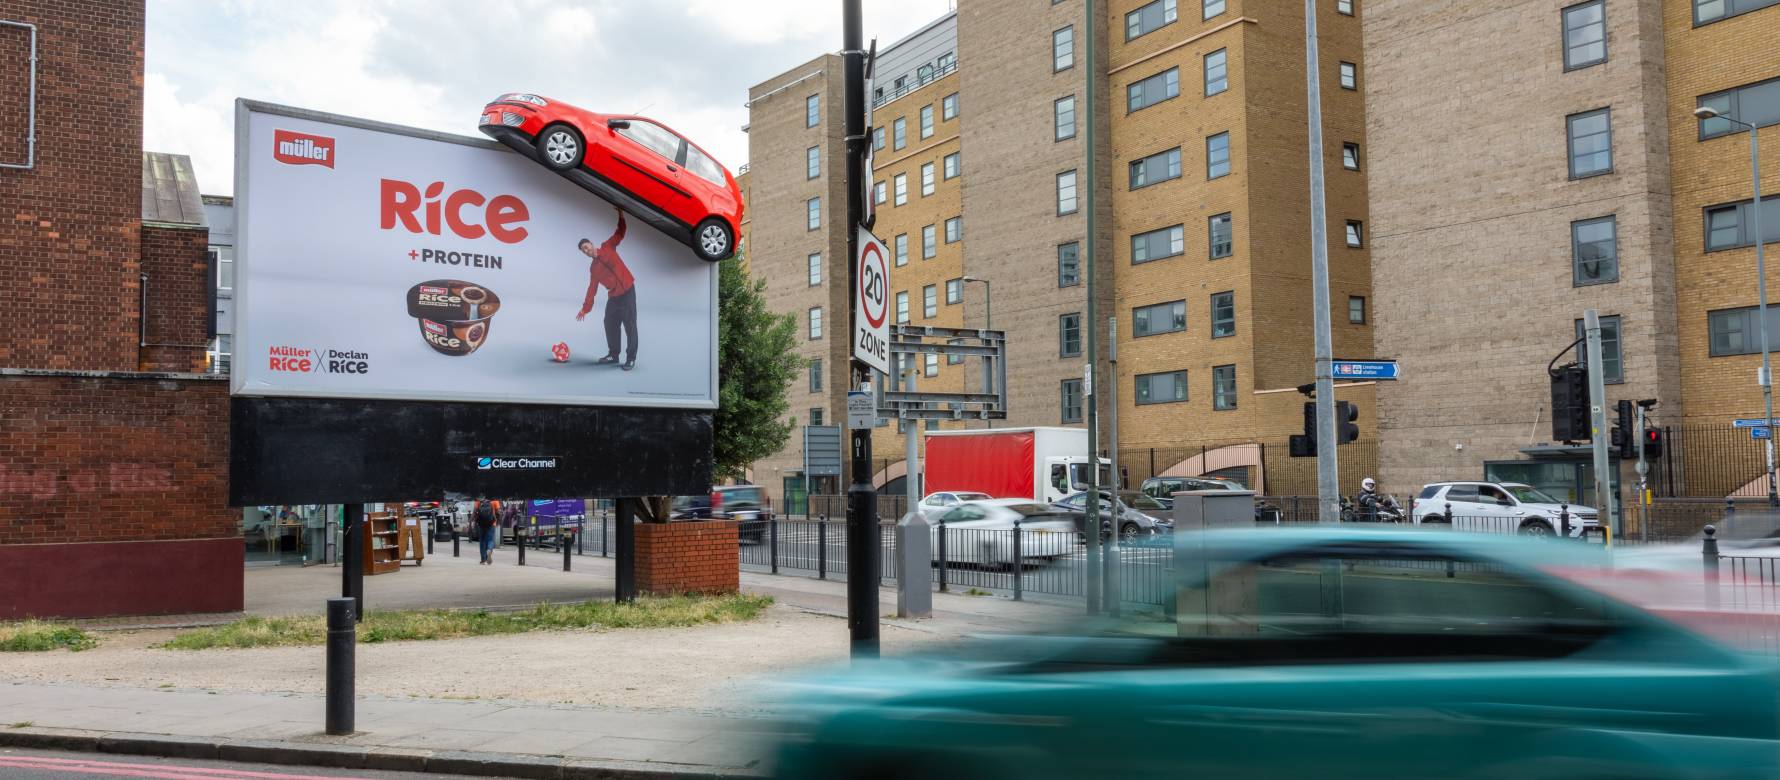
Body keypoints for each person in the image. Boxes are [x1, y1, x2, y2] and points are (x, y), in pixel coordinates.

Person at [575, 207, 638, 371]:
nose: (587, 251)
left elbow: (620, 233)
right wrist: (585, 309)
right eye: (584, 251)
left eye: (587, 247)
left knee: (630, 325)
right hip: (614, 297)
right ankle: (613, 354)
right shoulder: (593, 269)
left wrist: (621, 216)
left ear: (591, 244)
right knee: (609, 322)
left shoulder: (608, 246)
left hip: (628, 291)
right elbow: (592, 289)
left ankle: (630, 358)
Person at [473, 498, 498, 565]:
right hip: (491, 523)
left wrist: (472, 522)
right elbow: (498, 512)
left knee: (482, 541)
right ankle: (489, 549)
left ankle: (483, 560)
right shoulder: (495, 501)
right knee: (490, 540)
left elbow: (475, 512)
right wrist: (497, 521)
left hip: (481, 524)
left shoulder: (478, 501)